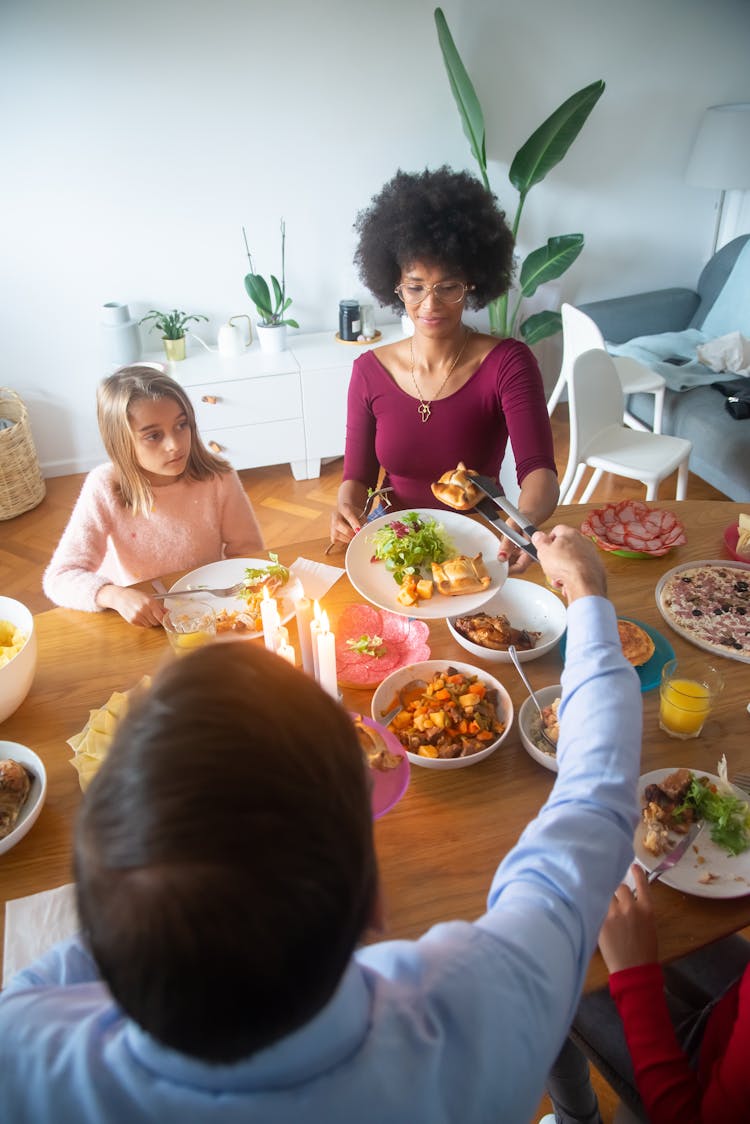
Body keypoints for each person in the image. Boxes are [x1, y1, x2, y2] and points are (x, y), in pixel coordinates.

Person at [0, 527, 641, 1124]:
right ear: (376, 902)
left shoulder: (24, 1053)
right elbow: (596, 801)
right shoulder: (476, 1018)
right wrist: (585, 595)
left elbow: (50, 975)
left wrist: (148, 896)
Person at [331, 166, 559, 572]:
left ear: (472, 283)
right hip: (395, 541)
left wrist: (522, 524)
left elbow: (538, 472)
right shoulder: (369, 370)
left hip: (481, 542)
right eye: (416, 287)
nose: (430, 305)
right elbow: (358, 476)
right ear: (395, 286)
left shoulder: (508, 363)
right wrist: (347, 508)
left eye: (448, 287)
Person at [43, 365, 264, 626]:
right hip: (141, 621)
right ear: (121, 441)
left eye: (182, 425)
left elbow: (248, 552)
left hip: (208, 614)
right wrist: (115, 596)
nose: (175, 444)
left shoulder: (218, 476)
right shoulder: (104, 486)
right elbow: (60, 577)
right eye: (153, 435)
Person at [543, 863, 750, 1124]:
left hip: (699, 1089)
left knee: (549, 962)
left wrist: (634, 975)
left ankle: (574, 1119)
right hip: (736, 1002)